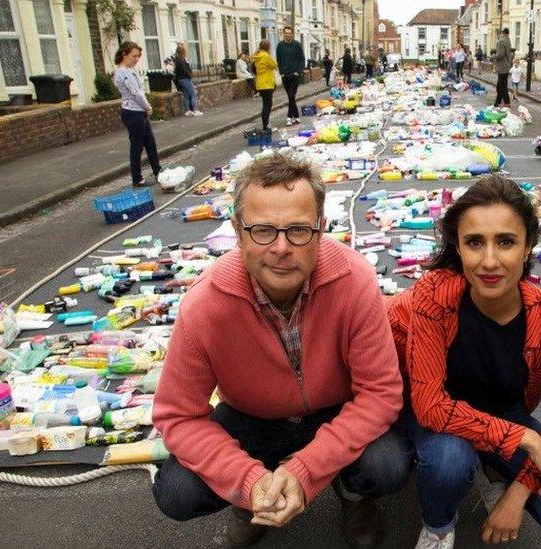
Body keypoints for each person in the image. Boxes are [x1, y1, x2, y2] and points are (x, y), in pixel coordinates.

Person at [152, 153, 412, 549]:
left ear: (321, 229)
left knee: (388, 464)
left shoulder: (354, 280)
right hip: (252, 417)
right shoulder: (205, 304)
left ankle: (355, 497)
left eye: (298, 230)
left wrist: (307, 471)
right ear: (238, 232)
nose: (281, 247)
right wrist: (247, 480)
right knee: (177, 491)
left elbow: (381, 393)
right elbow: (179, 415)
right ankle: (251, 504)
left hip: (335, 409)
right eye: (262, 231)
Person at [387, 175, 541, 549]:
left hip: (505, 413)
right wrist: (525, 439)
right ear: (458, 246)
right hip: (440, 420)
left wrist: (519, 491)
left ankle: (493, 469)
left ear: (527, 247)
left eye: (505, 242)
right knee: (450, 460)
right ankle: (438, 526)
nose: (489, 261)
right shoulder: (434, 298)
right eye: (475, 242)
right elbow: (429, 406)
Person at [113, 42, 160, 188]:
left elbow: (139, 91)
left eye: (138, 56)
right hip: (133, 113)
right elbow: (135, 93)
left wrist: (145, 107)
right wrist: (147, 107)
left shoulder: (129, 70)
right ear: (124, 54)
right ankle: (137, 178)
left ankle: (158, 172)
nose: (136, 59)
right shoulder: (122, 72)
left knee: (150, 144)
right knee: (137, 146)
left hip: (138, 112)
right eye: (134, 56)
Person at [276, 26, 305, 127]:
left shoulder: (297, 45)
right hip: (285, 75)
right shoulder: (280, 45)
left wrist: (298, 72)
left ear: (292, 34)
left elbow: (302, 59)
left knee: (291, 95)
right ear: (283, 34)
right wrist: (281, 72)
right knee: (290, 97)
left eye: (289, 33)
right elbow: (278, 60)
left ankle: (289, 118)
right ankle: (296, 116)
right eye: (286, 33)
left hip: (295, 74)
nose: (288, 35)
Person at [252, 40, 277, 132]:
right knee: (267, 105)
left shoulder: (257, 56)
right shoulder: (266, 56)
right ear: (268, 47)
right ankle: (266, 126)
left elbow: (254, 68)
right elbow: (274, 65)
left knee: (265, 105)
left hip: (260, 83)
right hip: (267, 83)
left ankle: (265, 124)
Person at [173, 43, 201, 116]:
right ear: (183, 52)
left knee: (186, 95)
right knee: (193, 94)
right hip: (185, 79)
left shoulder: (177, 60)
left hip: (181, 79)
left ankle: (187, 111)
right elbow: (185, 70)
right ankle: (195, 110)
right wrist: (190, 75)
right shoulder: (182, 60)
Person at [491, 29, 513, 108]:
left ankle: (507, 102)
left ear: (502, 33)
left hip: (502, 66)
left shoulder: (501, 41)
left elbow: (500, 55)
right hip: (506, 65)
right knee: (501, 85)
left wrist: (493, 57)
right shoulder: (508, 41)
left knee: (501, 86)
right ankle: (497, 103)